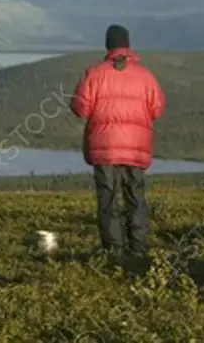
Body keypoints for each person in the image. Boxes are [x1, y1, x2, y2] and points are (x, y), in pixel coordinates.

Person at [70, 24, 166, 259]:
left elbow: (80, 108)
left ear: (108, 45)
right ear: (128, 45)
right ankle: (139, 250)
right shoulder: (146, 76)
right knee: (136, 197)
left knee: (108, 199)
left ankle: (114, 252)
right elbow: (157, 109)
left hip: (104, 149)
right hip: (136, 148)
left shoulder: (94, 73)